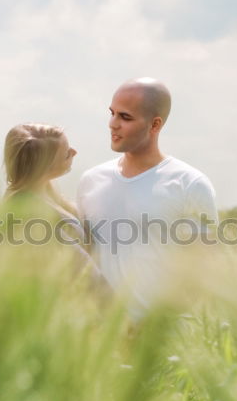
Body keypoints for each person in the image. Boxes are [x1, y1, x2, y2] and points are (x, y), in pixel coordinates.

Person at [76, 78, 217, 312]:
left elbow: (202, 270)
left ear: (155, 125)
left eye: (125, 117)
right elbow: (84, 262)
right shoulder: (90, 181)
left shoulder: (190, 184)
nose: (113, 124)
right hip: (101, 339)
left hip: (163, 338)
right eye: (112, 113)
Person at [2, 123, 107, 291]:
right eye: (67, 154)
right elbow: (87, 275)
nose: (74, 152)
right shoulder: (33, 216)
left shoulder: (44, 190)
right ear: (46, 167)